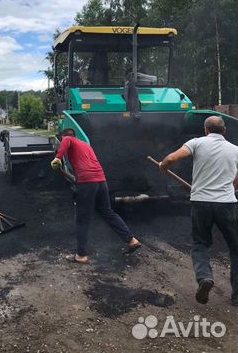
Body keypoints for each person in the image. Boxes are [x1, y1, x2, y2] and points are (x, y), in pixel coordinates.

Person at [159, 116, 238, 306]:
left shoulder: (196, 143)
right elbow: (236, 179)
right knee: (235, 248)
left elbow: (171, 158)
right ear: (224, 131)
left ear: (205, 130)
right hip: (226, 204)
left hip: (201, 202)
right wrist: (231, 188)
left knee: (200, 244)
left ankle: (205, 278)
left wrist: (164, 166)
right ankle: (237, 297)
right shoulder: (235, 150)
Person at [51, 128, 141, 263]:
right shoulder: (86, 146)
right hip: (101, 180)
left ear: (65, 136)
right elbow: (78, 178)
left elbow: (67, 142)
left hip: (87, 182)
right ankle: (132, 240)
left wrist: (57, 158)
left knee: (82, 218)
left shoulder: (69, 139)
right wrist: (62, 171)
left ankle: (81, 255)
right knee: (107, 212)